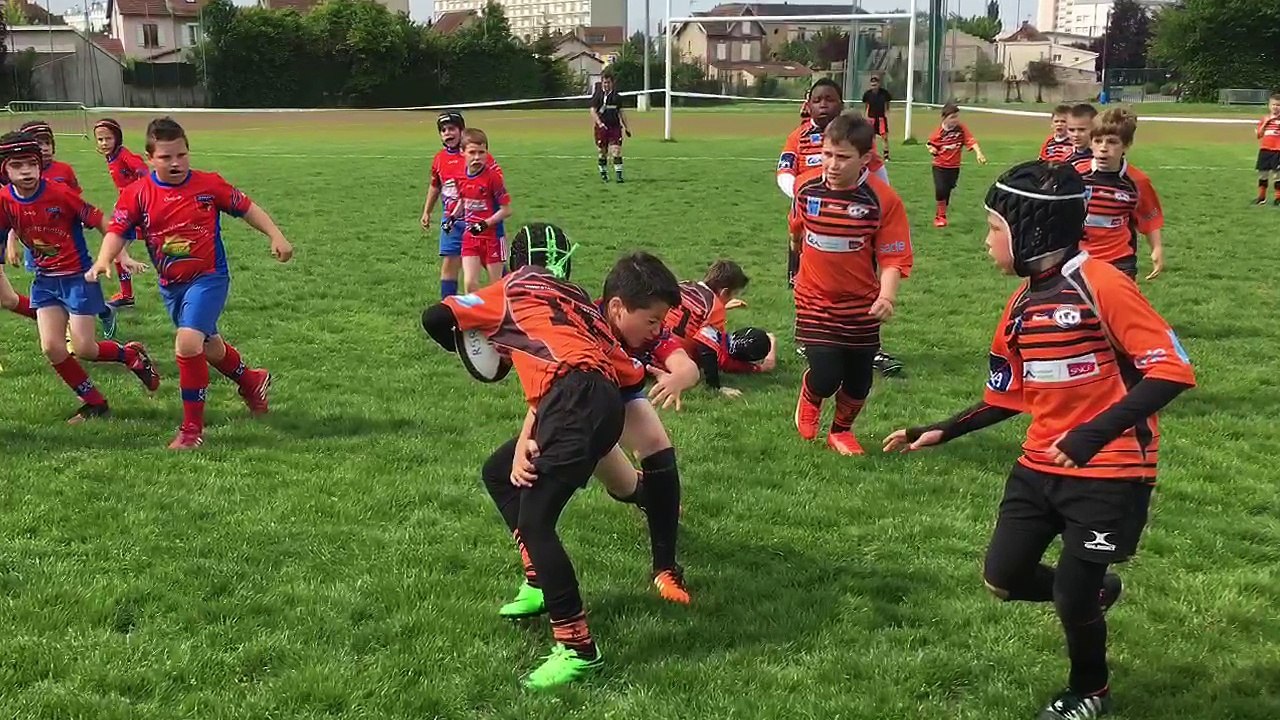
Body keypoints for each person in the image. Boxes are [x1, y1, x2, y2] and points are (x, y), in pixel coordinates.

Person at [884, 160, 1196, 720]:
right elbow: (1007, 396)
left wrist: (1089, 437)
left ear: (1031, 231)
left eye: (994, 229)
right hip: (1037, 467)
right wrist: (944, 429)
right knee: (1002, 579)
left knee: (1072, 595)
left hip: (1110, 470)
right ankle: (1095, 595)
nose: (985, 242)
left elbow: (1172, 370)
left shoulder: (1104, 284)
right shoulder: (1020, 307)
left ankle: (1090, 690)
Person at [421, 247, 681, 690]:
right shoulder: (579, 302)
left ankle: (578, 648)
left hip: (573, 402)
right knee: (499, 472)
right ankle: (540, 581)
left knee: (536, 522)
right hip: (598, 405)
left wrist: (471, 346)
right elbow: (625, 375)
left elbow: (435, 317)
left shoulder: (510, 288)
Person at [490, 225, 693, 622]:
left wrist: (680, 377)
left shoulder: (644, 320)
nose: (657, 328)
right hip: (579, 412)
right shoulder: (576, 319)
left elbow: (683, 362)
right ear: (615, 308)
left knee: (655, 442)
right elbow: (549, 392)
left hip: (617, 400)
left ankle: (666, 569)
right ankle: (540, 572)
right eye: (652, 320)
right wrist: (525, 440)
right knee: (626, 487)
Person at [86, 117, 293, 450]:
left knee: (187, 343)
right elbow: (117, 231)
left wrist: (276, 235)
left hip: (209, 278)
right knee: (209, 347)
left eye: (181, 155)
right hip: (171, 285)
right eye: (166, 157)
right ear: (149, 158)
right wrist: (103, 259)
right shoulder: (137, 194)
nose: (176, 163)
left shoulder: (208, 185)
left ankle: (191, 431)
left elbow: (246, 207)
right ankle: (251, 380)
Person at [0, 131, 160, 422]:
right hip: (45, 281)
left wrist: (120, 255)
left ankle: (130, 355)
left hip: (78, 279)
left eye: (32, 164)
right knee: (52, 347)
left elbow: (102, 221)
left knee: (85, 348)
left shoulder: (59, 194)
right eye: (17, 165)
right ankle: (95, 403)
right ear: (4, 170)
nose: (26, 171)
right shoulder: (4, 199)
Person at [790, 112, 913, 456]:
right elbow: (797, 229)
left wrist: (887, 297)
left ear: (866, 158)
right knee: (827, 373)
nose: (832, 164)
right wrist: (798, 257)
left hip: (861, 304)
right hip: (814, 298)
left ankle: (840, 432)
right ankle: (812, 394)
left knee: (859, 380)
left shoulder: (883, 200)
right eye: (827, 154)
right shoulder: (805, 187)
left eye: (843, 157)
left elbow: (893, 258)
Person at [778, 79, 901, 375]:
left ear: (841, 103)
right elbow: (784, 172)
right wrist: (810, 196)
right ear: (808, 105)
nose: (823, 105)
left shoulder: (860, 139)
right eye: (817, 100)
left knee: (862, 284)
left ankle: (868, 346)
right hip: (810, 224)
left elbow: (878, 175)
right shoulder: (798, 138)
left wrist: (878, 207)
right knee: (805, 283)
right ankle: (809, 338)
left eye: (830, 99)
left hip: (855, 225)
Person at [421, 111, 508, 299]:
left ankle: (512, 298)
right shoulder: (439, 159)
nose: (448, 133)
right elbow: (435, 185)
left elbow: (497, 186)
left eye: (452, 129)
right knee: (450, 262)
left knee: (492, 266)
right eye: (443, 130)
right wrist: (427, 211)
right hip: (453, 220)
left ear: (462, 130)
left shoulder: (477, 155)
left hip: (481, 221)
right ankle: (448, 305)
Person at [1074, 108, 1165, 281]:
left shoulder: (1137, 181)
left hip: (1119, 260)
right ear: (1090, 143)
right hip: (1079, 257)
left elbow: (1150, 216)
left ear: (1126, 145)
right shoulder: (1075, 175)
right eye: (1098, 141)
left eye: (1112, 142)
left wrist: (1157, 248)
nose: (1103, 148)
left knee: (1117, 298)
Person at [93, 117, 150, 309]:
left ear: (117, 138)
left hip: (138, 209)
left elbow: (143, 170)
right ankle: (127, 295)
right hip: (130, 209)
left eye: (108, 138)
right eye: (100, 139)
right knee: (117, 247)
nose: (104, 143)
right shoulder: (112, 157)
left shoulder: (124, 155)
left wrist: (134, 195)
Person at [450, 128, 511, 292]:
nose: (477, 157)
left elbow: (506, 210)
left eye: (481, 152)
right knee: (470, 283)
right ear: (462, 152)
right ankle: (474, 309)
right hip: (471, 236)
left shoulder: (493, 178)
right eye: (472, 152)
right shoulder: (459, 176)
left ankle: (504, 308)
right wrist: (452, 217)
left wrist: (485, 224)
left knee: (497, 287)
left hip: (493, 238)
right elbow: (463, 200)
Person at [926, 102, 987, 228]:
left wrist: (979, 153)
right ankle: (940, 217)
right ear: (944, 118)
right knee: (941, 189)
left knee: (948, 190)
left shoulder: (961, 129)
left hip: (954, 167)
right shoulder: (939, 132)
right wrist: (932, 149)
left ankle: (942, 213)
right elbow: (930, 143)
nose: (955, 120)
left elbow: (971, 141)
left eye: (956, 117)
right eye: (952, 117)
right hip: (939, 166)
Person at [590, 73, 631, 183]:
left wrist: (627, 127)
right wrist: (600, 124)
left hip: (614, 127)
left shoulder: (617, 97)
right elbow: (593, 111)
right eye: (604, 82)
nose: (606, 85)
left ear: (612, 83)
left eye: (608, 82)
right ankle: (604, 174)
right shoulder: (598, 95)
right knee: (602, 152)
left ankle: (619, 176)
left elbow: (621, 112)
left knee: (616, 151)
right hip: (601, 128)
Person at [1253, 93, 1280, 206]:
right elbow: (1259, 135)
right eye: (1273, 104)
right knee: (1263, 174)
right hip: (1265, 150)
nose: (1275, 107)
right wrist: (1267, 122)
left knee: (1277, 175)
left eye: (1278, 105)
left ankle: (1278, 198)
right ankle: (1261, 197)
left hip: (1278, 150)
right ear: (1269, 106)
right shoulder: (1264, 119)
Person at [861, 75, 893, 160]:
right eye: (872, 84)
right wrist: (866, 117)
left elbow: (887, 105)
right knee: (871, 137)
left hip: (881, 118)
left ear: (879, 84)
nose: (874, 85)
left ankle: (886, 155)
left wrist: (887, 114)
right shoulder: (867, 94)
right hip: (871, 118)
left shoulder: (884, 93)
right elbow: (866, 106)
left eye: (875, 83)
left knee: (884, 137)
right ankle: (872, 154)